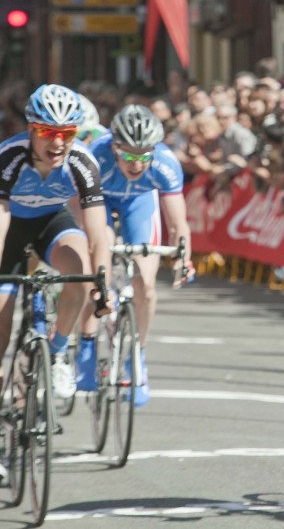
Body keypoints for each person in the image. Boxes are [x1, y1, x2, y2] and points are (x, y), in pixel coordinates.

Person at [0, 84, 112, 486]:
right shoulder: (9, 156)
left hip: (54, 224)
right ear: (31, 130)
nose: (58, 142)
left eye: (67, 133)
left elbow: (98, 229)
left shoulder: (82, 161)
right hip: (12, 230)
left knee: (82, 273)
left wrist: (101, 281)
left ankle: (57, 350)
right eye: (48, 132)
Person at [77, 105, 194, 406]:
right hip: (97, 201)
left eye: (144, 155)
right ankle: (87, 344)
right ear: (114, 147)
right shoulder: (95, 157)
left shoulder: (165, 164)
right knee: (98, 269)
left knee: (147, 285)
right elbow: (84, 217)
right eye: (128, 155)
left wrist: (182, 258)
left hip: (139, 204)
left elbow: (178, 222)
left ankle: (137, 355)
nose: (137, 164)